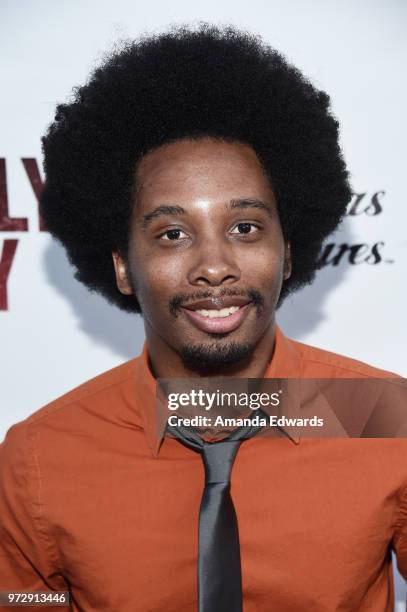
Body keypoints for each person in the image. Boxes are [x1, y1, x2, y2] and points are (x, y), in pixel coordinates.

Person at [0, 24, 406, 612]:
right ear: (121, 266)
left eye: (245, 228)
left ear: (288, 251)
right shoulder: (40, 456)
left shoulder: (383, 420)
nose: (214, 267)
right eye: (172, 234)